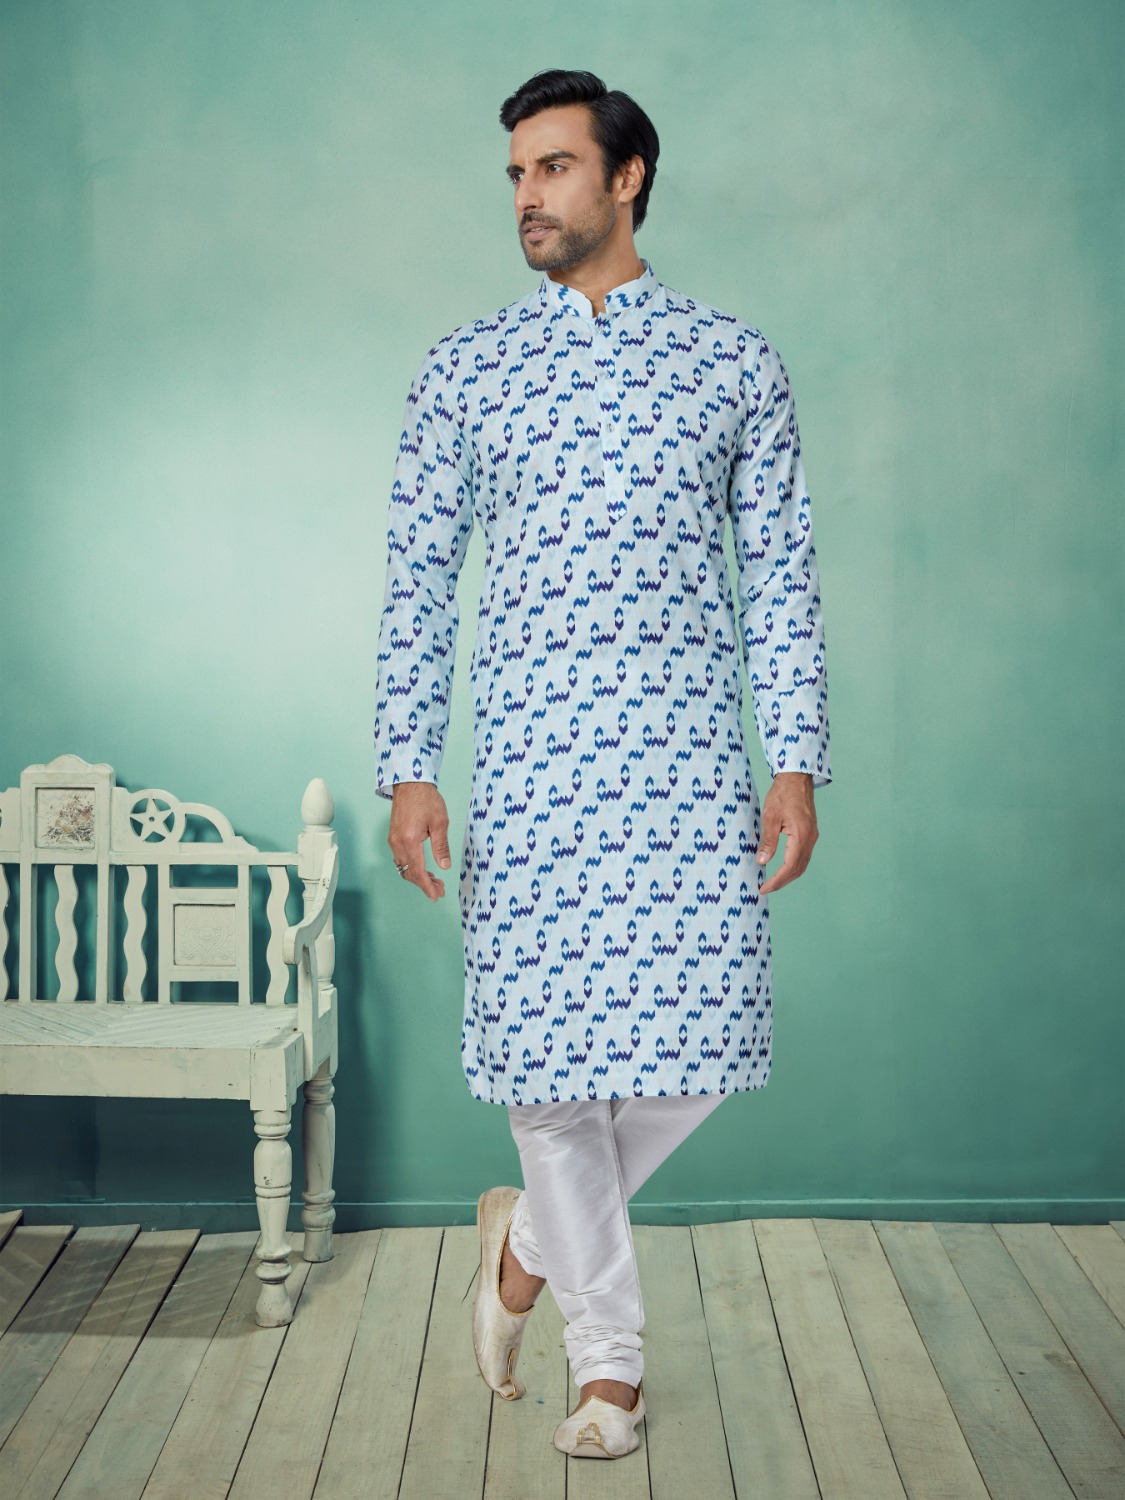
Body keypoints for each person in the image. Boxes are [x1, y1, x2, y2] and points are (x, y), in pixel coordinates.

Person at [372, 68, 833, 1459]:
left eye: (554, 167)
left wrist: (796, 757)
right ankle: (608, 1369)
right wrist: (408, 762)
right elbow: (417, 579)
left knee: (700, 1045)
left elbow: (781, 572)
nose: (527, 195)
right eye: (516, 173)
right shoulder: (466, 369)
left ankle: (527, 1246)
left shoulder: (730, 361)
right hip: (529, 768)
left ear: (626, 177)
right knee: (548, 1076)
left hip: (688, 763)